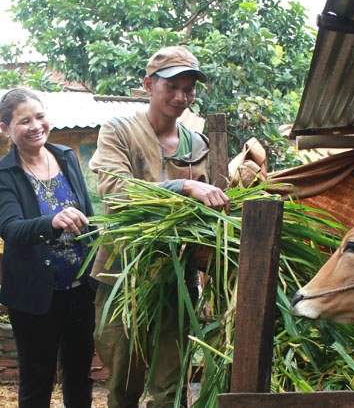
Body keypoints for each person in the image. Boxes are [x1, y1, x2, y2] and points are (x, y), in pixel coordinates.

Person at [89, 45, 230, 408]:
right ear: (148, 85)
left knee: (169, 386)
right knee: (123, 382)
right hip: (123, 275)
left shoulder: (198, 143)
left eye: (189, 89)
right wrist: (183, 186)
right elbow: (115, 191)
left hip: (177, 280)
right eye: (173, 87)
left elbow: (213, 204)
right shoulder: (119, 130)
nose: (182, 97)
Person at [0, 88, 96, 408]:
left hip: (79, 287)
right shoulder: (5, 174)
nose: (36, 125)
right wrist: (51, 221)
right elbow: (11, 229)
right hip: (34, 295)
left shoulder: (67, 157)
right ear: (5, 129)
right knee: (37, 380)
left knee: (80, 375)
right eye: (23, 121)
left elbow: (89, 215)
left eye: (40, 116)